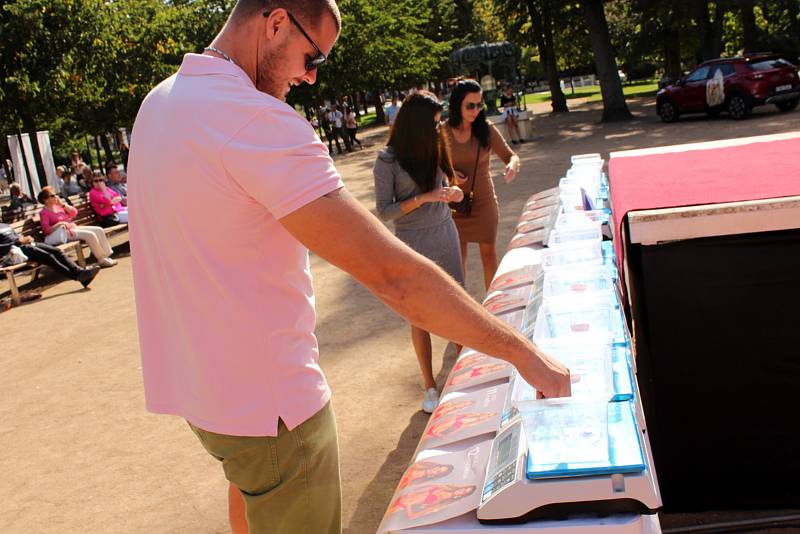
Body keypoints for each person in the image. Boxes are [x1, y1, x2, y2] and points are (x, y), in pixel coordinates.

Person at [127, 2, 570, 533]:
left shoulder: (161, 102)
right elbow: (394, 276)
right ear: (274, 22)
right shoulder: (256, 120)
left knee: (248, 489)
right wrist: (523, 353)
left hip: (208, 399)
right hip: (275, 411)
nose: (311, 77)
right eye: (312, 56)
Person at [373, 91, 465, 414]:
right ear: (415, 125)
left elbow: (450, 184)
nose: (438, 129)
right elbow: (385, 211)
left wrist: (453, 193)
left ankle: (470, 372)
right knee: (420, 315)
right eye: (433, 124)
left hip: (444, 233)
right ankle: (430, 386)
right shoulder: (387, 161)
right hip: (413, 242)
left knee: (458, 306)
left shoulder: (435, 142)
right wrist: (424, 198)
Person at [445, 79, 522, 290]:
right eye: (470, 105)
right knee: (457, 260)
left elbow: (511, 156)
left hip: (484, 201)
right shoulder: (442, 131)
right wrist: (450, 173)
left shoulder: (485, 129)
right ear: (456, 104)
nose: (476, 110)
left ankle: (493, 305)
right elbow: (430, 166)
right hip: (453, 205)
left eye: (480, 105)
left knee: (489, 254)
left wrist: (513, 166)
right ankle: (461, 307)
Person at [0, 222, 100, 287]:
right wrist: (16, 243)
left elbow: (16, 237)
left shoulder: (4, 225)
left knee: (57, 251)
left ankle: (80, 272)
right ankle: (79, 276)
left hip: (24, 246)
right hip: (12, 253)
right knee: (49, 257)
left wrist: (24, 239)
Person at [37, 186, 117, 268]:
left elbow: (74, 213)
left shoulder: (59, 207)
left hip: (73, 228)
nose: (56, 197)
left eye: (56, 194)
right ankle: (101, 260)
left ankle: (106, 255)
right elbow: (46, 230)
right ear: (45, 200)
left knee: (99, 230)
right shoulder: (44, 212)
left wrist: (63, 205)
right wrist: (60, 224)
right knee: (90, 235)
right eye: (53, 195)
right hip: (64, 234)